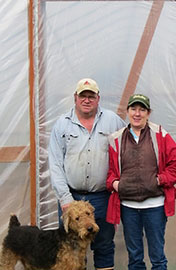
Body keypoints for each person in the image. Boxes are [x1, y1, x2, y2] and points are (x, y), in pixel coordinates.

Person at [48, 78, 126, 270]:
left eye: (91, 96)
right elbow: (55, 164)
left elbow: (128, 147)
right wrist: (65, 199)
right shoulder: (62, 125)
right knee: (70, 249)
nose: (87, 100)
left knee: (104, 245)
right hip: (71, 200)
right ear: (75, 98)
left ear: (98, 98)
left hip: (102, 197)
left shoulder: (112, 120)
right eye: (83, 95)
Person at [105, 94, 176, 270]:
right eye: (133, 109)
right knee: (134, 257)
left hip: (155, 206)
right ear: (127, 112)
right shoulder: (116, 139)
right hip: (128, 207)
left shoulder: (160, 135)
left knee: (157, 256)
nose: (137, 113)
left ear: (148, 113)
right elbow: (111, 172)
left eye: (142, 110)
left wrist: (159, 180)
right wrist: (116, 184)